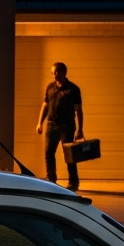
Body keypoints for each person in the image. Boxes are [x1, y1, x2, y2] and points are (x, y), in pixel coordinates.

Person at [36, 62, 84, 191]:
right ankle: (51, 179)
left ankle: (73, 181)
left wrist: (80, 129)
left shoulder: (73, 89)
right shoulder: (50, 87)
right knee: (48, 152)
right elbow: (45, 105)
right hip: (51, 124)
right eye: (52, 72)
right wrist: (40, 123)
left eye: (56, 72)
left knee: (69, 154)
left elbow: (78, 109)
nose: (54, 75)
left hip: (66, 126)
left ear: (63, 72)